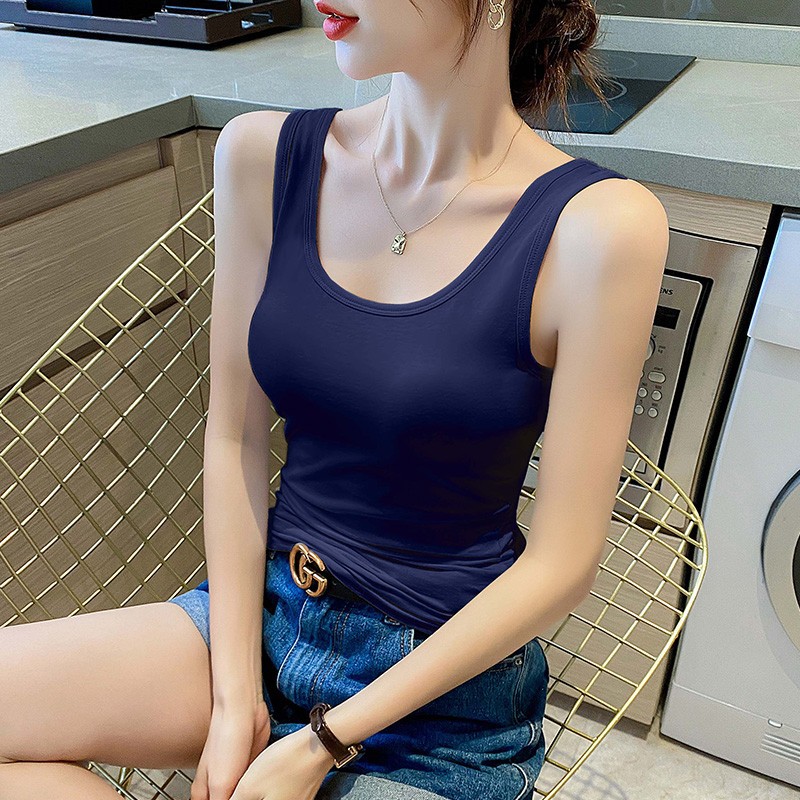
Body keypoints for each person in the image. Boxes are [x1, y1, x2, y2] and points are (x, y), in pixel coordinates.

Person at [0, 1, 669, 799]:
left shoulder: (600, 227)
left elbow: (562, 566)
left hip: (436, 700)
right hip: (263, 619)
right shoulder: (264, 155)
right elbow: (235, 436)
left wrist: (323, 740)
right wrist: (232, 698)